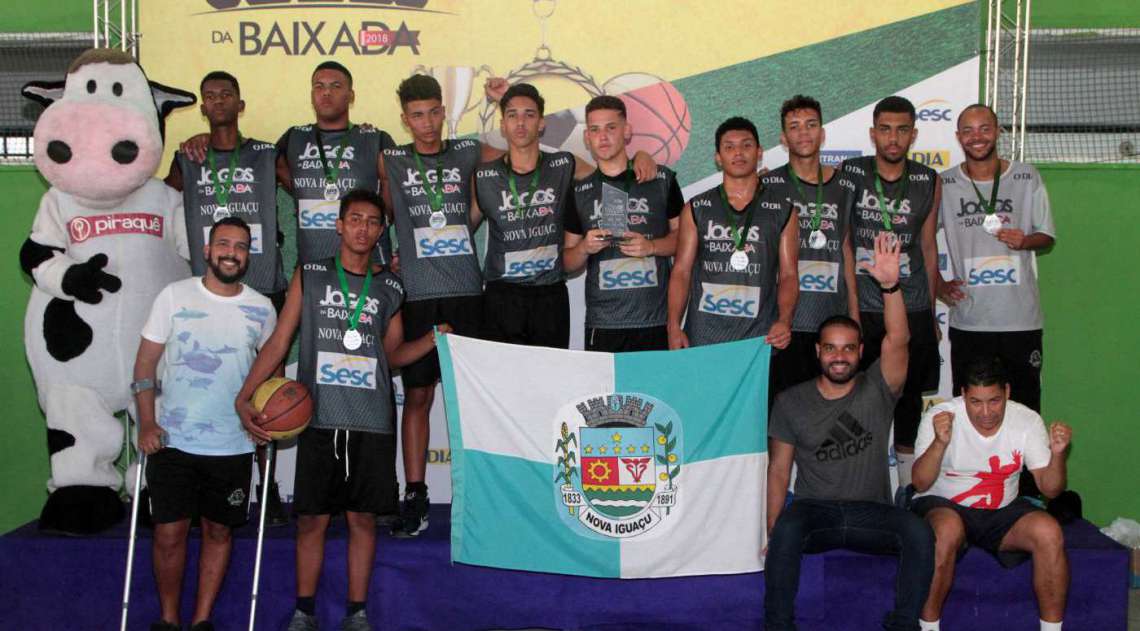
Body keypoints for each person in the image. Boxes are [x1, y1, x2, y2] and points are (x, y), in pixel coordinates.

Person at [234, 190, 447, 631]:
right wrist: (246, 394)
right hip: (319, 418)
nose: (362, 228)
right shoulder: (310, 275)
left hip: (371, 420)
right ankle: (304, 611)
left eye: (372, 221)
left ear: (380, 230)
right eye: (354, 219)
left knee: (362, 520)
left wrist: (430, 341)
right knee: (311, 519)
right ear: (339, 224)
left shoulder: (389, 286)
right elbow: (279, 341)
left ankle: (357, 613)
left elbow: (391, 355)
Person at [766, 232, 934, 631]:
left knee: (918, 531)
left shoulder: (879, 387)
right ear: (817, 351)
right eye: (830, 348)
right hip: (815, 513)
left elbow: (899, 338)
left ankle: (903, 624)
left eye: (847, 348)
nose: (839, 356)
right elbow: (778, 471)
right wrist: (772, 530)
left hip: (871, 512)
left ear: (860, 352)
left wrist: (890, 286)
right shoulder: (790, 401)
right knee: (786, 529)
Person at [132, 217, 277, 631]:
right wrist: (146, 423)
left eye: (241, 246)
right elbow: (144, 363)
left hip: (232, 444)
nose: (232, 252)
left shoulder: (262, 308)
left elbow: (272, 376)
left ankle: (201, 621)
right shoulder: (173, 296)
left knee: (218, 533)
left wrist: (265, 418)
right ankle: (168, 619)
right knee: (168, 534)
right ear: (208, 250)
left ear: (249, 255)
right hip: (173, 441)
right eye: (224, 244)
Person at [378, 74, 501, 538]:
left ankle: (482, 492)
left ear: (443, 111)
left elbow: (518, 150)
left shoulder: (467, 151)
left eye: (433, 112)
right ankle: (415, 493)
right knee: (418, 395)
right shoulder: (390, 159)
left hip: (468, 291)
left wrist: (501, 102)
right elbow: (375, 209)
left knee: (471, 399)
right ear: (404, 118)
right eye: (417, 115)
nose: (427, 123)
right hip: (417, 294)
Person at [164, 70, 288, 526]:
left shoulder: (265, 153)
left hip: (263, 287)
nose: (218, 102)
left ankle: (268, 486)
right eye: (209, 96)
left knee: (266, 392)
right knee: (211, 385)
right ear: (202, 107)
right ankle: (197, 485)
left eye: (226, 95)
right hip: (209, 292)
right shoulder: (187, 157)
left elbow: (309, 188)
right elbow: (160, 199)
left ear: (241, 103)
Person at [471, 83, 654, 348]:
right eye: (512, 115)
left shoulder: (564, 164)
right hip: (502, 296)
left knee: (552, 384)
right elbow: (463, 231)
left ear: (542, 124)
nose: (520, 123)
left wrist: (639, 155)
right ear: (503, 125)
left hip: (551, 295)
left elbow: (610, 177)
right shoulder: (484, 176)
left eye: (529, 115)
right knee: (505, 385)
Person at [911, 355, 1072, 631]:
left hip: (1002, 511)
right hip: (945, 505)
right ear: (963, 395)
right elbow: (920, 483)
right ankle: (927, 628)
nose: (986, 412)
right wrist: (939, 443)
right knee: (946, 529)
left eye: (994, 401)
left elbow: (1050, 489)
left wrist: (1057, 456)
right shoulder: (940, 417)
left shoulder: (1026, 420)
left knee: (1049, 531)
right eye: (976, 402)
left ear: (1007, 392)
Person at [840, 96, 942, 486]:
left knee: (909, 400)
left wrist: (930, 313)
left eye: (902, 130)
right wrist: (850, 307)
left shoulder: (928, 180)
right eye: (885, 129)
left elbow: (929, 248)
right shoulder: (851, 173)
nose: (893, 138)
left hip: (911, 302)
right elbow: (845, 241)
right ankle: (855, 484)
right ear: (873, 133)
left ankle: (907, 491)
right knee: (856, 400)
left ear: (913, 134)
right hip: (864, 305)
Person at [937, 103, 1056, 413]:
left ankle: (1023, 466)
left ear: (998, 132)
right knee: (969, 412)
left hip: (1019, 320)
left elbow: (1047, 236)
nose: (977, 137)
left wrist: (1026, 240)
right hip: (970, 321)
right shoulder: (944, 184)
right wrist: (938, 284)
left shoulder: (1027, 176)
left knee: (1024, 410)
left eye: (984, 129)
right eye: (968, 130)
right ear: (958, 137)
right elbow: (920, 240)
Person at [563, 94, 684, 351]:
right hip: (604, 325)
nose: (603, 137)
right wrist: (584, 248)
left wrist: (652, 247)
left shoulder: (661, 180)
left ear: (627, 131)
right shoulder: (579, 191)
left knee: (653, 392)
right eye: (594, 130)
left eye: (611, 128)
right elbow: (566, 262)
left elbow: (684, 241)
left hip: (654, 322)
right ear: (587, 137)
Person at [666, 116, 798, 349]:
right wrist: (673, 325)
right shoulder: (696, 207)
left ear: (759, 152)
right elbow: (681, 271)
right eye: (729, 147)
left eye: (746, 145)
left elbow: (788, 274)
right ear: (718, 157)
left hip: (759, 339)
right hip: (703, 336)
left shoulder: (784, 210)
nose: (738, 153)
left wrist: (784, 320)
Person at [766, 95, 858, 398]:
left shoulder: (845, 186)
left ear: (822, 132)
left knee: (827, 413)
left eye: (811, 125)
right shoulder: (768, 186)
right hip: (784, 325)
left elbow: (846, 251)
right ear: (783, 137)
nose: (803, 133)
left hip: (830, 322)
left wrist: (854, 315)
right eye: (794, 127)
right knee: (782, 411)